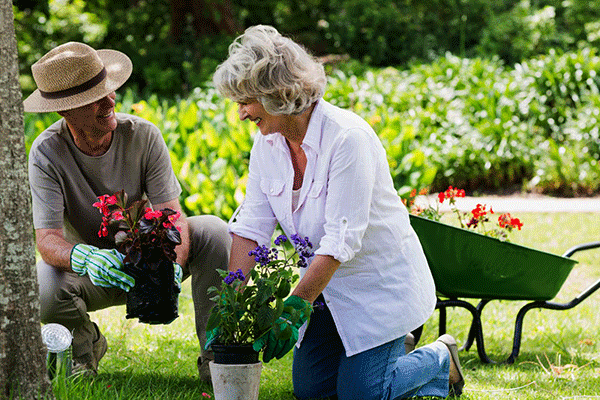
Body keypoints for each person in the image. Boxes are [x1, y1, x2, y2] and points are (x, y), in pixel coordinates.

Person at [210, 25, 466, 399]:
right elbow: (251, 225)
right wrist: (230, 299)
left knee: (362, 394)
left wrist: (293, 308)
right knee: (312, 392)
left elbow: (340, 242)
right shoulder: (268, 145)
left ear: (276, 95)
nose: (242, 114)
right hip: (326, 296)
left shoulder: (348, 139)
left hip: (377, 291)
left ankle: (440, 358)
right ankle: (385, 358)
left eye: (245, 102)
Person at [23, 42, 231, 380]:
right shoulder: (46, 153)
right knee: (43, 284)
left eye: (108, 89)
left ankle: (217, 361)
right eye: (93, 98)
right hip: (94, 273)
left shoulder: (143, 136)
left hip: (147, 260)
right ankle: (84, 347)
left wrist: (172, 266)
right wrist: (86, 258)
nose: (110, 102)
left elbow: (172, 215)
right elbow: (47, 240)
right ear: (65, 111)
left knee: (214, 232)